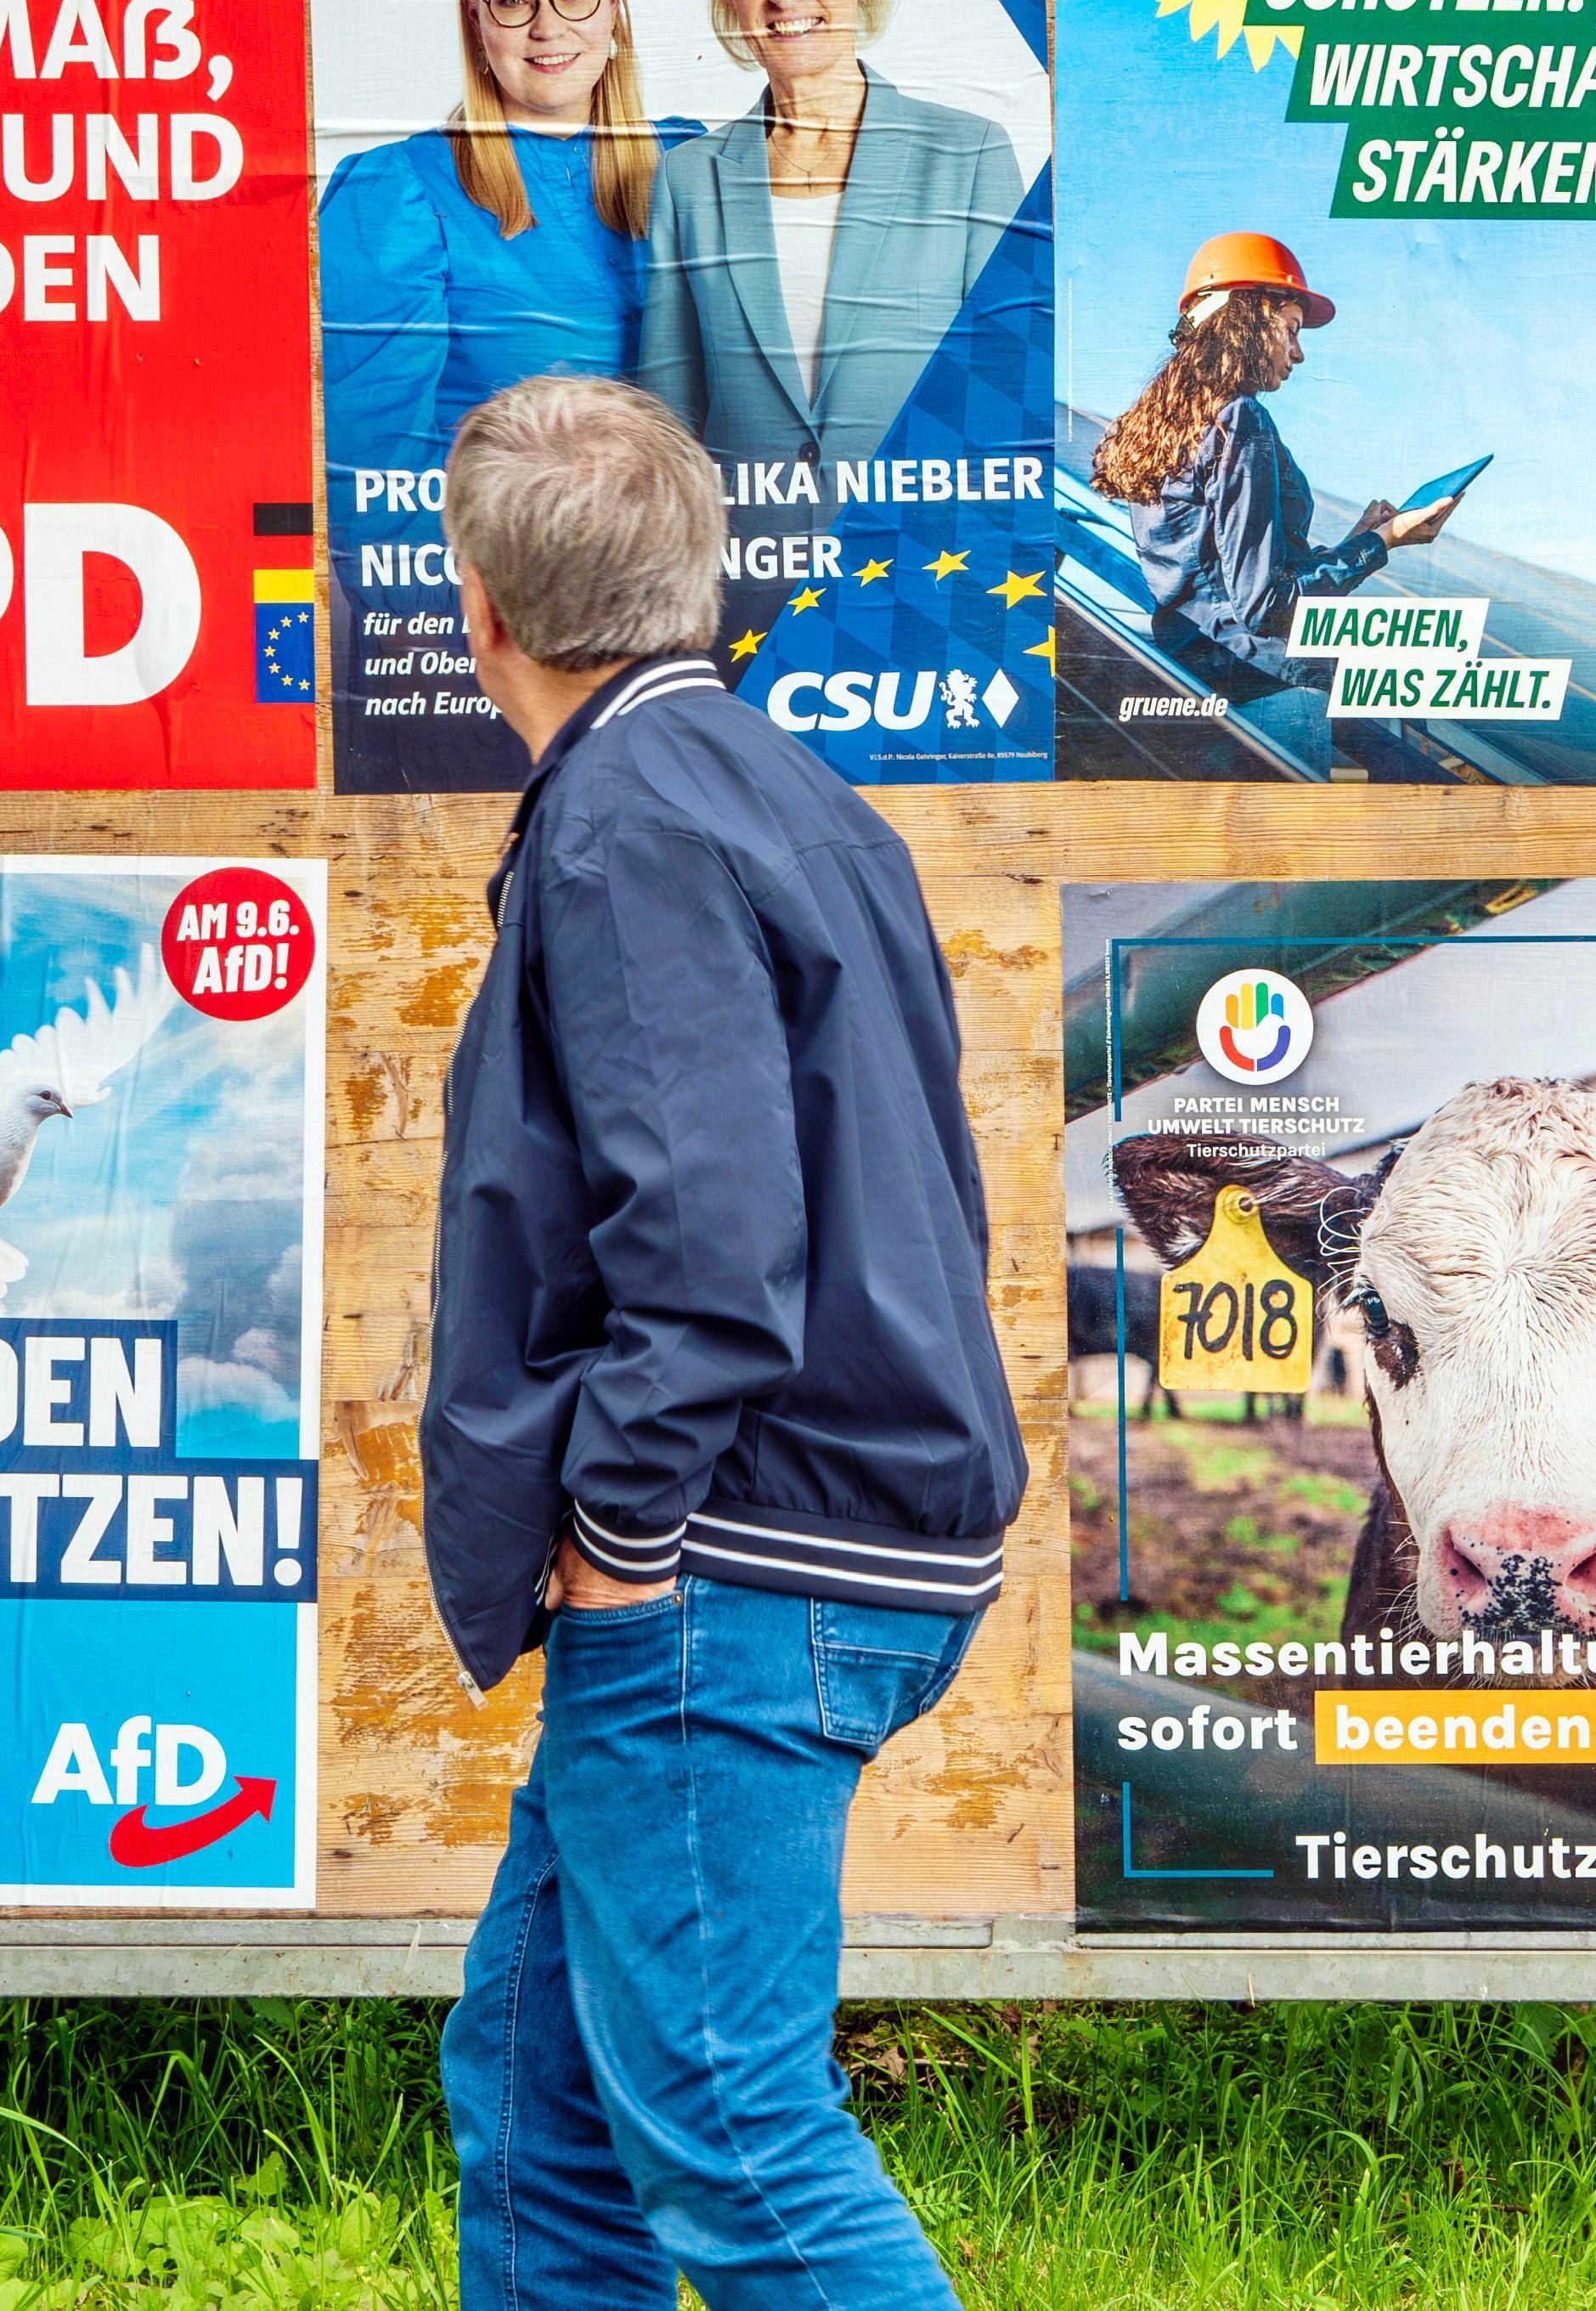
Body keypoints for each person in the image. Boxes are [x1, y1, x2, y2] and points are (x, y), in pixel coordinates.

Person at [420, 372, 1025, 2311]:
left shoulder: (628, 815)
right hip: (806, 1538)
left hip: (732, 1559)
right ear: (701, 579)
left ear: (479, 610)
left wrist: (616, 1528)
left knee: (736, 2137)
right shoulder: (779, 788)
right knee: (537, 2090)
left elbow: (711, 1235)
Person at [322, 0, 693, 789]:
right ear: (474, 20)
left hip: (691, 626)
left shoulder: (696, 164)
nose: (545, 27)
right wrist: (525, 640)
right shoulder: (397, 191)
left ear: (613, 6)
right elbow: (373, 479)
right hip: (507, 648)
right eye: (511, 0)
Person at [636, 0, 1026, 657]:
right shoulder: (685, 179)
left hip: (930, 575)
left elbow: (998, 396)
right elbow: (668, 424)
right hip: (740, 597)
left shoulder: (969, 155)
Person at [1086, 232, 1460, 777]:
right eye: (1290, 329)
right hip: (1270, 689)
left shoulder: (1159, 427)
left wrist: (1361, 538)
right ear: (1246, 320)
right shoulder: (1240, 420)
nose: (1300, 353)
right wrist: (1386, 541)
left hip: (1199, 682)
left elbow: (1225, 582)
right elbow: (1266, 604)